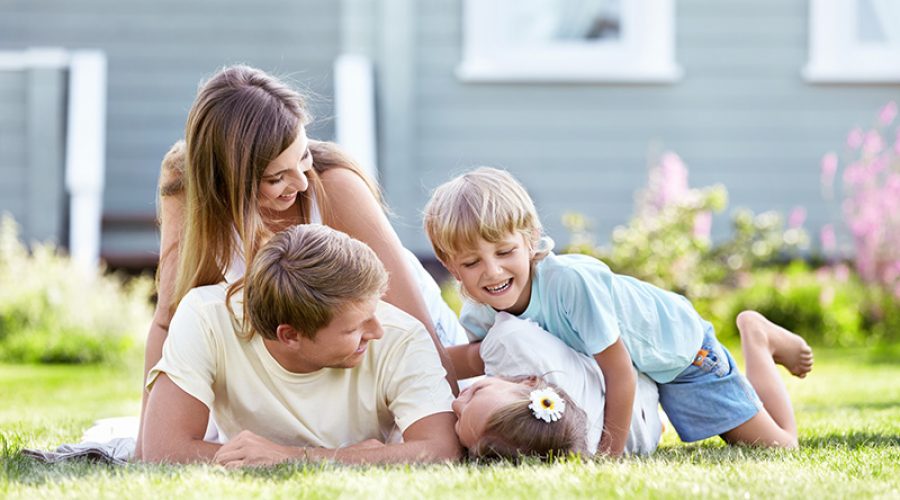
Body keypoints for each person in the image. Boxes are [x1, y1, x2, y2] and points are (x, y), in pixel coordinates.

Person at [138, 65, 464, 457]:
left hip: (397, 332)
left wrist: (446, 421)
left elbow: (413, 324)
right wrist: (147, 440)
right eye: (276, 177)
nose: (301, 183)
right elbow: (167, 319)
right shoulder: (186, 189)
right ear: (227, 180)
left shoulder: (333, 186)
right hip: (305, 356)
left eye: (303, 156)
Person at [424, 167, 814, 456]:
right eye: (472, 263)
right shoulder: (481, 310)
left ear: (529, 241)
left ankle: (758, 335)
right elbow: (470, 362)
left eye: (505, 252)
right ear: (450, 264)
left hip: (679, 351)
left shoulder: (568, 285)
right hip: (639, 363)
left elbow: (620, 372)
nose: (492, 272)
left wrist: (609, 457)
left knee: (778, 445)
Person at [142, 224, 461, 465]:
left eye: (374, 309)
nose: (377, 330)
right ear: (290, 335)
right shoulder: (206, 316)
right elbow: (164, 449)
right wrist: (351, 457)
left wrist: (291, 456)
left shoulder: (402, 335)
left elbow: (441, 449)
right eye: (354, 327)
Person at [452, 313, 663, 459]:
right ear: (529, 381)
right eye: (475, 391)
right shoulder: (515, 342)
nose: (456, 402)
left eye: (458, 422)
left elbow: (448, 364)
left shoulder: (509, 342)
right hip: (640, 402)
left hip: (644, 431)